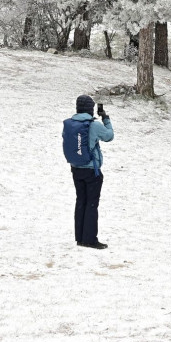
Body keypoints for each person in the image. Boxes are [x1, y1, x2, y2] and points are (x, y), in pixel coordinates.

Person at [66, 95, 113, 249]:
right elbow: (109, 136)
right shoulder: (94, 125)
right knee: (91, 204)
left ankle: (80, 238)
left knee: (81, 201)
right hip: (92, 170)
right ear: (90, 109)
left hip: (75, 168)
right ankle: (90, 239)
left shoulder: (70, 124)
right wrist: (106, 118)